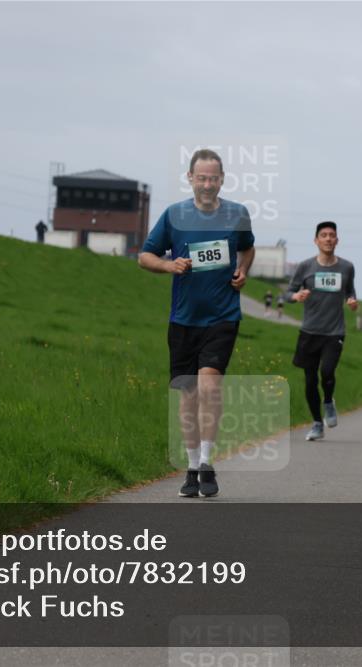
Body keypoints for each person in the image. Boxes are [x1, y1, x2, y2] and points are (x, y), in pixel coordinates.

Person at [138, 148, 255, 498]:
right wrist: (169, 266)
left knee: (209, 387)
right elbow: (145, 256)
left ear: (222, 180)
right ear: (190, 178)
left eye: (213, 178)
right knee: (188, 397)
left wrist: (243, 271)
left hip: (222, 316)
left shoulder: (237, 214)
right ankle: (191, 468)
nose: (207, 184)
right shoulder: (174, 215)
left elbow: (247, 249)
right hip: (184, 319)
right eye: (201, 177)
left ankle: (207, 463)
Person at [286, 221, 358, 441]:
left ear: (337, 240)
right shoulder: (305, 266)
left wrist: (352, 301)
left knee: (326, 372)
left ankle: (328, 401)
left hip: (334, 332)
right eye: (324, 235)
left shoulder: (346, 267)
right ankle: (317, 423)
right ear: (316, 241)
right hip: (309, 331)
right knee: (309, 380)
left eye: (332, 235)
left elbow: (350, 292)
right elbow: (288, 292)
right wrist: (295, 297)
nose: (328, 238)